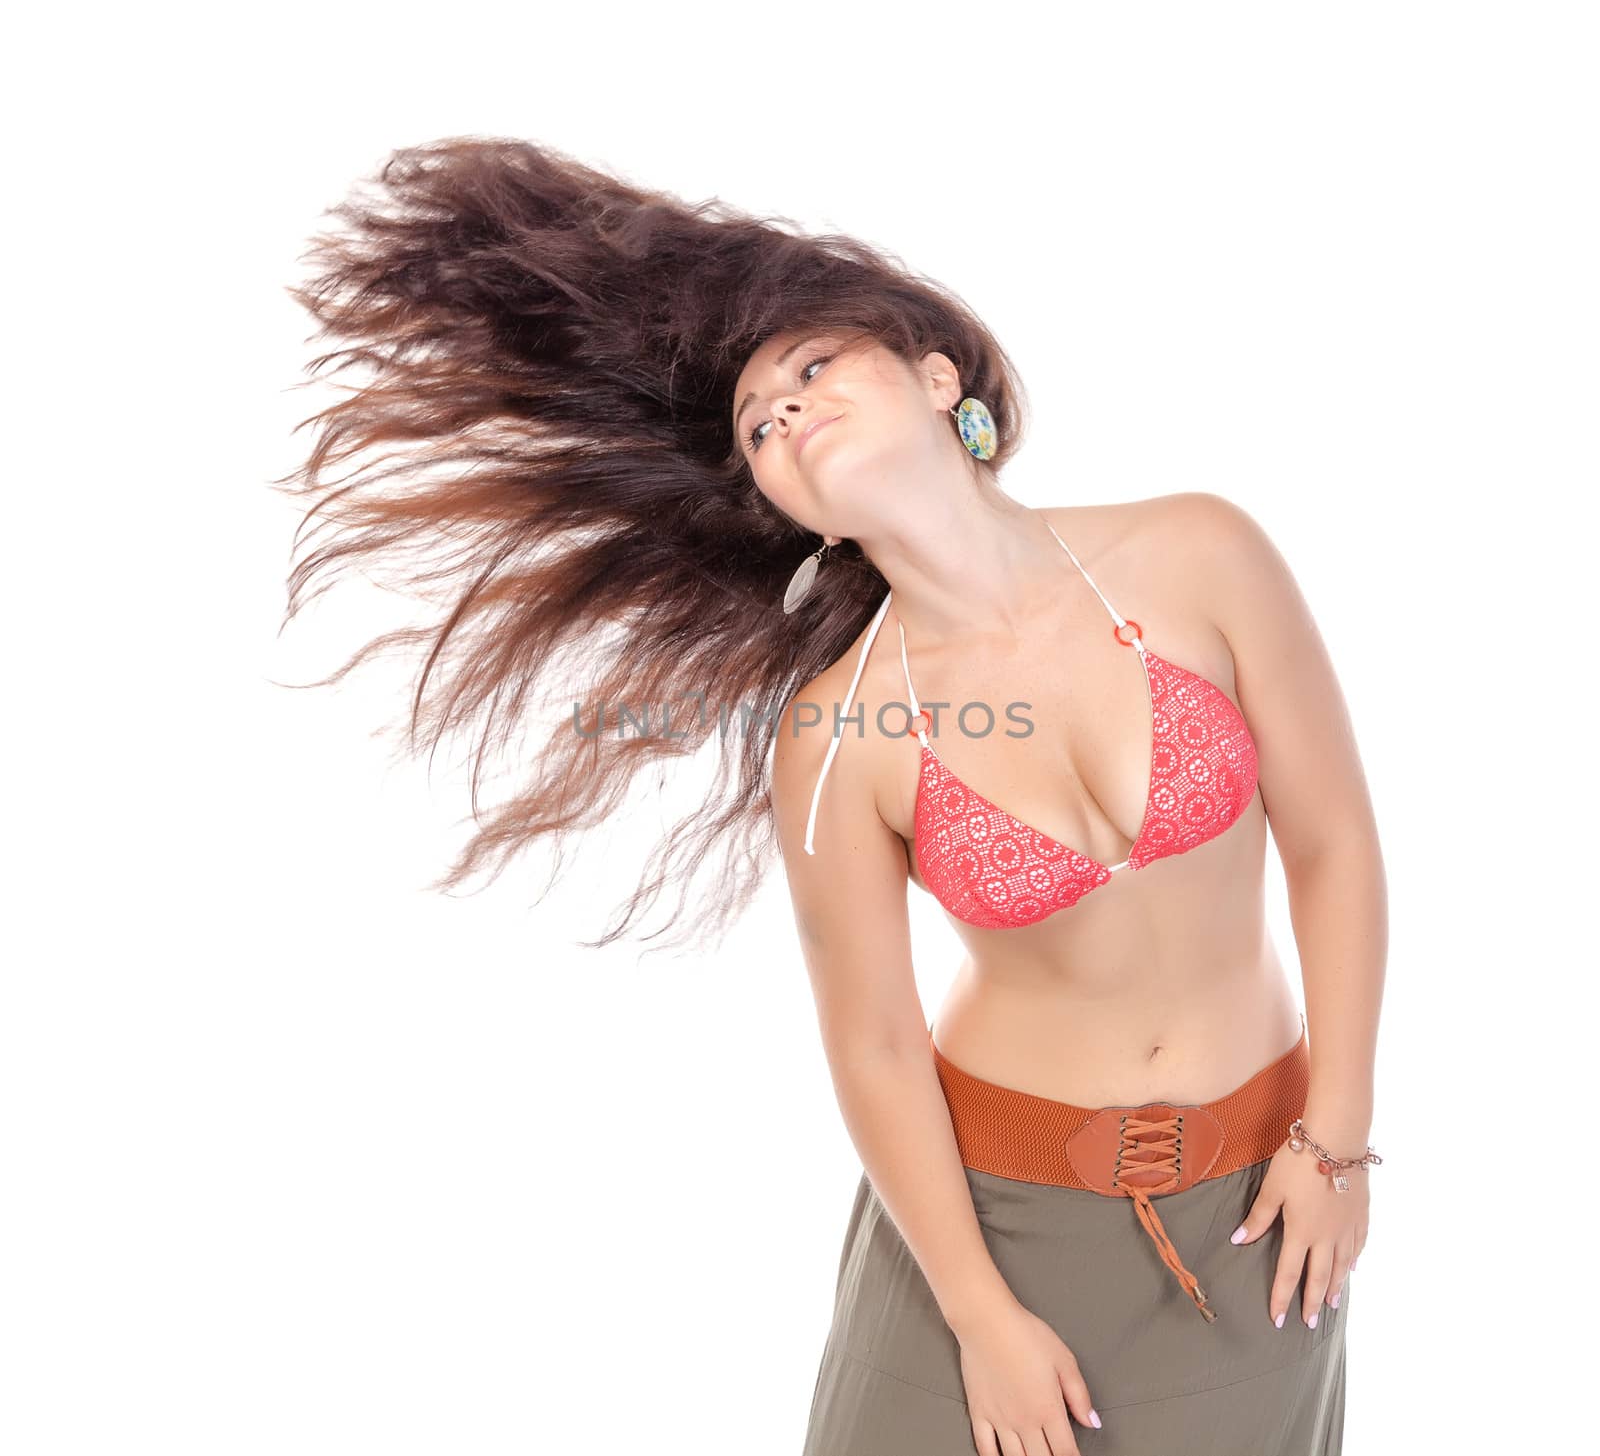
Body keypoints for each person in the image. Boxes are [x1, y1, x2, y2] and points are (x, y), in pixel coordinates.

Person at [278, 136, 1385, 1456]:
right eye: (761, 424)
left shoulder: (1202, 549)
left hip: (1260, 1198)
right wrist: (977, 1314)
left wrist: (1337, 1142)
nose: (789, 409)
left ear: (936, 375)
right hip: (993, 1224)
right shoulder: (835, 735)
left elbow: (1334, 847)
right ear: (786, 501)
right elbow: (872, 1042)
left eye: (814, 367)